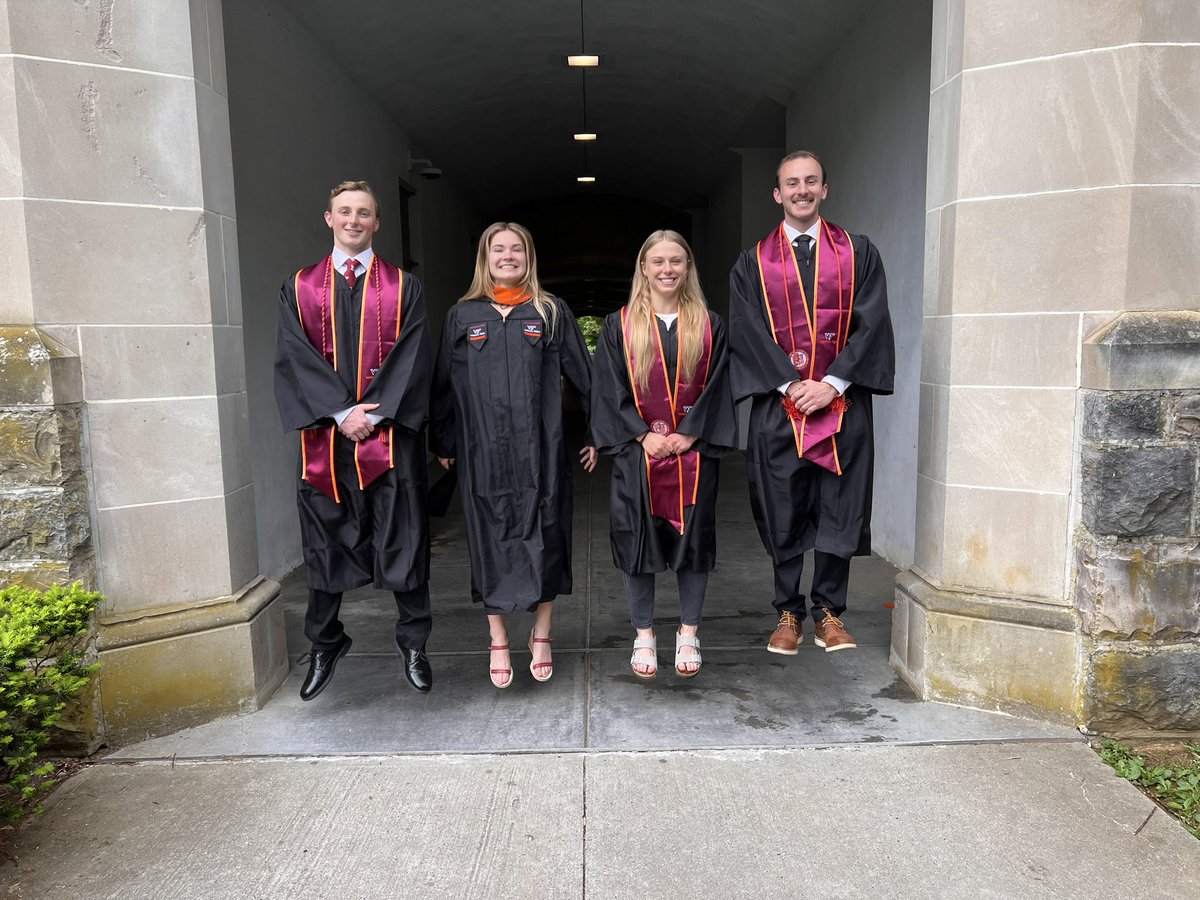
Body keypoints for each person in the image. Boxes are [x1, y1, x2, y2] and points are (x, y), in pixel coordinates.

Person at [729, 151, 895, 656]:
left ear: (825, 189)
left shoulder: (858, 252)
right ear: (777, 194)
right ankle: (787, 611)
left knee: (838, 507)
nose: (801, 190)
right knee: (783, 508)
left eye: (811, 182)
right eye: (791, 183)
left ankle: (828, 612)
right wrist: (789, 385)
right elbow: (746, 329)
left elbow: (873, 323)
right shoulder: (752, 263)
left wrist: (833, 383)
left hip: (841, 409)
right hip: (781, 413)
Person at [274, 180, 434, 700]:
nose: (353, 220)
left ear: (377, 222)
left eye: (364, 213)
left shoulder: (404, 287)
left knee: (403, 535)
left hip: (387, 439)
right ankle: (325, 643)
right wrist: (342, 412)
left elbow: (413, 356)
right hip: (328, 438)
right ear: (329, 218)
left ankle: (414, 642)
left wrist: (375, 413)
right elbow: (295, 354)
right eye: (345, 212)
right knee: (326, 537)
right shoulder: (297, 287)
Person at [430, 222, 596, 688]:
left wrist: (597, 434)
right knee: (488, 536)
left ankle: (541, 633)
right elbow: (443, 383)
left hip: (542, 447)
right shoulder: (463, 316)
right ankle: (498, 635)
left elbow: (585, 377)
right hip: (483, 447)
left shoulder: (550, 311)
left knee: (548, 530)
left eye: (516, 248)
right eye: (498, 249)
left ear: (528, 256)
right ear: (485, 258)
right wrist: (443, 442)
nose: (508, 256)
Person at [591, 231, 735, 679]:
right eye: (658, 262)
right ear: (644, 268)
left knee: (693, 545)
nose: (667, 269)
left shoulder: (710, 325)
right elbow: (608, 386)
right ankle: (644, 636)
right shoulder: (619, 324)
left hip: (692, 458)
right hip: (640, 458)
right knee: (638, 543)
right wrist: (639, 435)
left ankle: (688, 632)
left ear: (688, 266)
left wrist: (691, 434)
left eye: (676, 261)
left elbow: (719, 386)